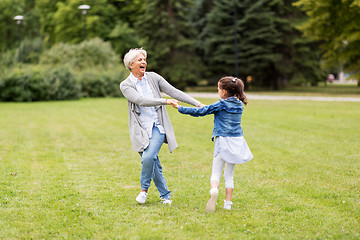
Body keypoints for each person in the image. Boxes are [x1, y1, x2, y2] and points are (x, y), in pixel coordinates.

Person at [119, 48, 203, 205]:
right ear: (131, 64)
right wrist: (164, 101)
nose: (143, 62)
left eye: (144, 59)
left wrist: (197, 103)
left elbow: (174, 92)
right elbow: (140, 100)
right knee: (153, 163)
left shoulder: (154, 78)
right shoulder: (125, 85)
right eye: (139, 60)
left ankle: (143, 190)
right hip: (140, 130)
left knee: (149, 157)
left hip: (157, 126)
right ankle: (166, 196)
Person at [172, 76, 253, 212]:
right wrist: (209, 107)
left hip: (223, 141)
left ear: (224, 92)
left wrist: (180, 108)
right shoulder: (239, 104)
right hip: (237, 142)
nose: (218, 92)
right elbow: (212, 109)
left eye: (218, 89)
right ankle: (228, 203)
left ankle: (214, 190)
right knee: (229, 174)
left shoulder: (221, 104)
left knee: (216, 172)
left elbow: (200, 112)